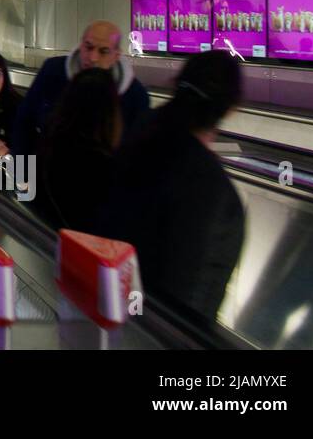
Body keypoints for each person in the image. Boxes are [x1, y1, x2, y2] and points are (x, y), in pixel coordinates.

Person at [99, 51, 245, 323]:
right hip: (152, 328)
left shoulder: (140, 132)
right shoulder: (211, 188)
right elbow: (194, 290)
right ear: (231, 107)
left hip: (107, 298)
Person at [11, 20, 149, 158]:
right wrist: (22, 173)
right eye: (88, 47)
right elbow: (24, 121)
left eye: (103, 51)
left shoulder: (134, 96)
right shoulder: (53, 71)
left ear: (116, 56)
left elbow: (136, 153)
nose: (93, 57)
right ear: (81, 44)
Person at [37, 68, 121, 233]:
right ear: (109, 112)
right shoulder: (105, 166)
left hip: (47, 242)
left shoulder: (48, 147)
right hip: (81, 250)